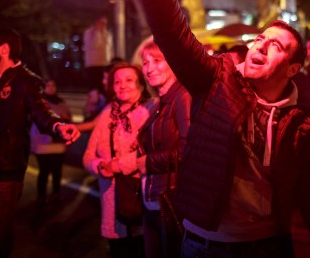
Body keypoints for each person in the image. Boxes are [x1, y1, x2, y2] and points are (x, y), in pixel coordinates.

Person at [127, 0, 310, 256]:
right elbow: (171, 32)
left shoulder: (301, 124)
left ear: (293, 68)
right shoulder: (215, 80)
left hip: (265, 246)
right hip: (201, 244)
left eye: (276, 46)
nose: (261, 45)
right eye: (260, 38)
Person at [0, 27, 80, 258]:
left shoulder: (26, 81)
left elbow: (41, 111)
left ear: (4, 49)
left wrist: (58, 126)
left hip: (2, 175)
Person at [83, 62, 150, 258]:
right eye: (117, 81)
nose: (122, 85)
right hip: (112, 203)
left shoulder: (150, 111)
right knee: (118, 250)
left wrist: (119, 165)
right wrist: (99, 165)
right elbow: (88, 157)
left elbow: (154, 153)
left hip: (141, 200)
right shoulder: (107, 114)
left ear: (140, 84)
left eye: (129, 80)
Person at [135, 38, 191, 257]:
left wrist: (147, 162)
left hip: (171, 200)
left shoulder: (183, 96)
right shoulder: (162, 101)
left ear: (173, 61)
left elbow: (189, 149)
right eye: (145, 63)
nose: (149, 68)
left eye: (157, 60)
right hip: (154, 199)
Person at [30, 78, 72, 204]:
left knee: (57, 171)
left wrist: (65, 119)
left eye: (53, 85)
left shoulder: (62, 103)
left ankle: (56, 193)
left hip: (58, 143)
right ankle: (41, 196)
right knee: (44, 171)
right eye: (48, 86)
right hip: (42, 143)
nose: (51, 88)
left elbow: (68, 118)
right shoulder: (39, 102)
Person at [83, 16, 114, 92]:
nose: (103, 25)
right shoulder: (89, 33)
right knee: (94, 89)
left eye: (105, 23)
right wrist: (97, 32)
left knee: (104, 88)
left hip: (105, 64)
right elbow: (95, 45)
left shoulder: (107, 34)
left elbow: (110, 48)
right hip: (93, 65)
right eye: (101, 23)